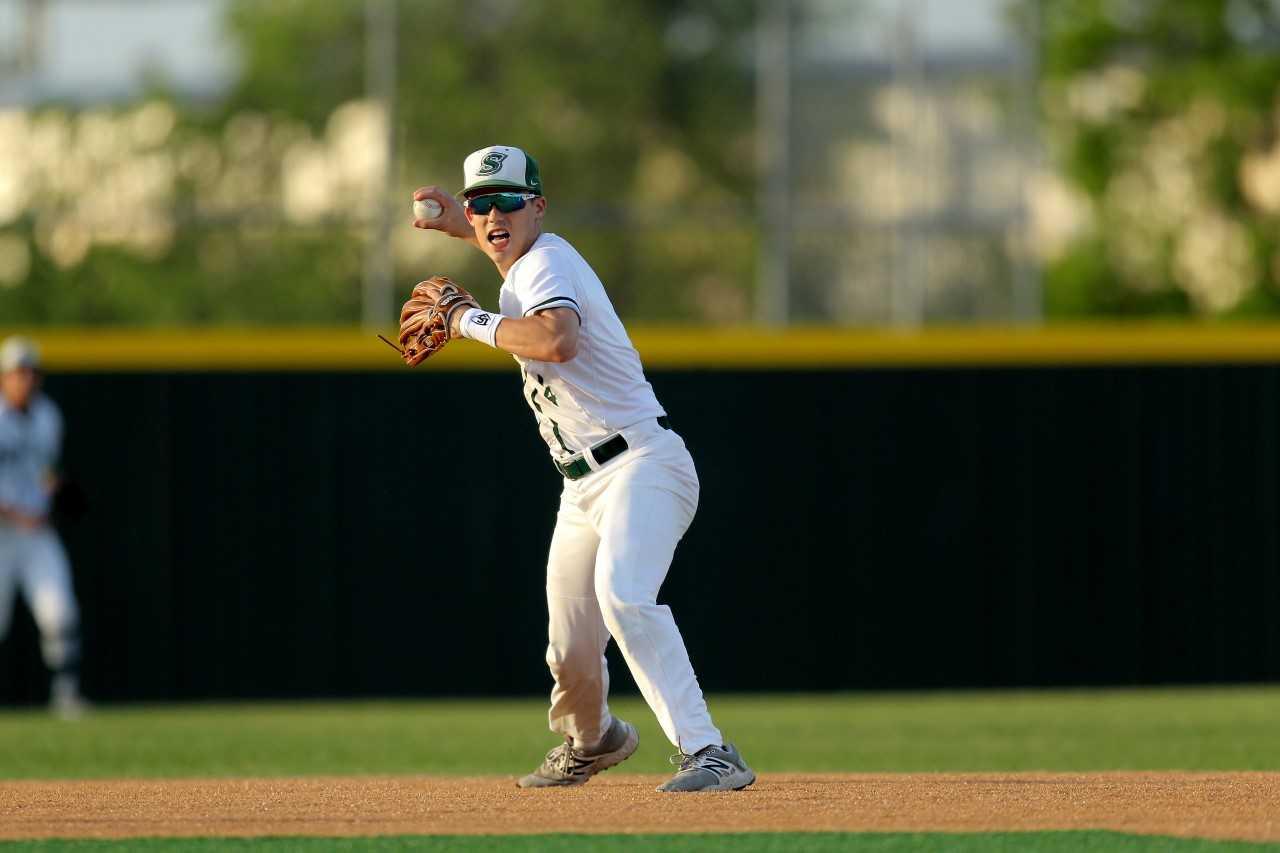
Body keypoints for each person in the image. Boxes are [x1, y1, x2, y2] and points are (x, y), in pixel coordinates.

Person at [405, 146, 753, 792]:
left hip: (642, 464)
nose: (492, 214)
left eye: (508, 200)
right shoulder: (525, 261)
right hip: (582, 484)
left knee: (624, 595)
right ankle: (594, 740)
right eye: (482, 202)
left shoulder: (548, 261)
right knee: (568, 648)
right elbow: (506, 256)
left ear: (539, 206)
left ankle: (710, 750)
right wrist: (462, 223)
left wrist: (464, 319)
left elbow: (555, 340)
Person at [0, 336, 87, 718]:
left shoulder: (49, 416)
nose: (25, 380)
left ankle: (65, 696)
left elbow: (47, 473)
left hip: (36, 532)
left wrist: (54, 493)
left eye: (31, 372)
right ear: (4, 378)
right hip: (1, 534)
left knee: (59, 610)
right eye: (18, 372)